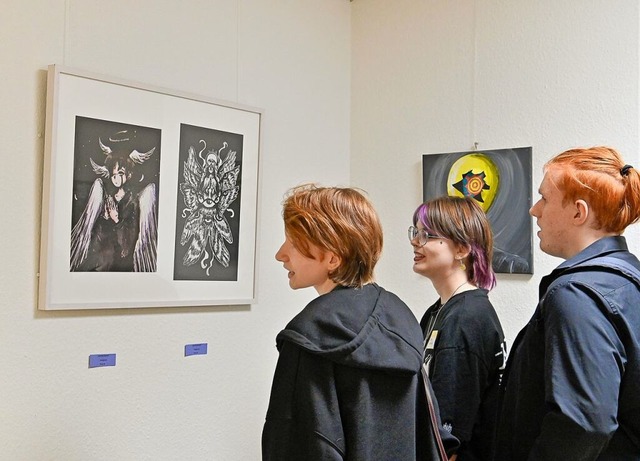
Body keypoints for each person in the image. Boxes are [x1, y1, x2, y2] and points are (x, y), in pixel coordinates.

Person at [262, 184, 459, 461]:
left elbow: (297, 445)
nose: (281, 254)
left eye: (293, 243)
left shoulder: (307, 337)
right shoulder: (402, 318)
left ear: (332, 257)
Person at [494, 146, 640, 460]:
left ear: (578, 212)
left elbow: (585, 423)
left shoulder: (577, 293)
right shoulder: (627, 279)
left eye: (545, 198)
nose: (535, 210)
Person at [409, 196, 505, 461]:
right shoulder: (439, 311)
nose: (416, 242)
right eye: (415, 232)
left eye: (427, 235)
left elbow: (449, 439)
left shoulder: (466, 317)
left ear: (462, 248)